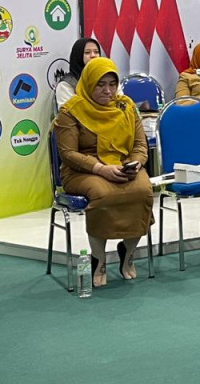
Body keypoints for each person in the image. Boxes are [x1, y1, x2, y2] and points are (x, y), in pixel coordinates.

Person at [52, 57, 153, 287]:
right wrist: (100, 169)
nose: (108, 91)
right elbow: (68, 153)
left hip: (122, 165)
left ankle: (127, 256)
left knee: (143, 190)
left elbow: (140, 146)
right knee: (103, 194)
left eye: (112, 84)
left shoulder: (126, 106)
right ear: (88, 83)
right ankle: (99, 259)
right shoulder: (71, 111)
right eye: (100, 84)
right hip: (82, 171)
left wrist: (136, 163)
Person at [55, 37, 101, 110]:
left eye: (96, 52)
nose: (93, 55)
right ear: (78, 55)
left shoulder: (107, 77)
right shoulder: (66, 84)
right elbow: (68, 115)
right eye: (87, 52)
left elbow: (119, 103)